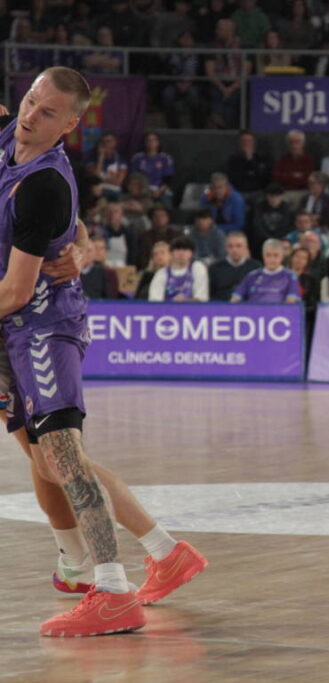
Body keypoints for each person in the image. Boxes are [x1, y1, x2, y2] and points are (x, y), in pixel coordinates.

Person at [0, 68, 205, 638]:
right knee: (47, 462)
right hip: (9, 321)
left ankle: (111, 589)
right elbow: (67, 224)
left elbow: (18, 289)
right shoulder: (9, 132)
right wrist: (82, 239)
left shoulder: (44, 181)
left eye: (47, 113)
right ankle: (163, 554)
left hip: (39, 322)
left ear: (70, 124)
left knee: (63, 456)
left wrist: (81, 248)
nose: (30, 114)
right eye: (29, 100)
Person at [231, 240, 302, 303]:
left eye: (276, 255)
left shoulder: (290, 276)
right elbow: (235, 299)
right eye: (268, 255)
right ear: (263, 255)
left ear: (282, 256)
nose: (272, 259)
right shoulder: (252, 275)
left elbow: (291, 302)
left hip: (279, 315)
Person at [148, 236, 209, 302]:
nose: (181, 253)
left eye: (185, 250)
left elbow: (202, 299)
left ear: (191, 253)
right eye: (177, 250)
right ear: (171, 253)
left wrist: (184, 302)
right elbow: (154, 301)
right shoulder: (161, 273)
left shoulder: (197, 268)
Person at [208, 232, 260, 301]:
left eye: (238, 246)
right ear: (226, 248)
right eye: (230, 246)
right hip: (221, 308)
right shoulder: (215, 268)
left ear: (246, 247)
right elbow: (210, 295)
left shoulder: (255, 267)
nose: (234, 250)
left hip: (248, 308)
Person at [226, 130, 273, 195]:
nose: (246, 144)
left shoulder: (262, 159)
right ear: (239, 143)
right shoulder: (233, 160)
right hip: (239, 193)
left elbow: (263, 178)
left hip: (259, 192)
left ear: (254, 143)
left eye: (249, 141)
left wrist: (249, 159)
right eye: (243, 141)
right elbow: (235, 179)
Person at [273, 129, 316, 194]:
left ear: (303, 143)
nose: (294, 145)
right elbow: (276, 177)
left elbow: (310, 179)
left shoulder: (308, 160)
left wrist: (288, 177)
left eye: (297, 142)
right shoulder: (283, 160)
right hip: (286, 192)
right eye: (291, 142)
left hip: (304, 192)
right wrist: (293, 175)